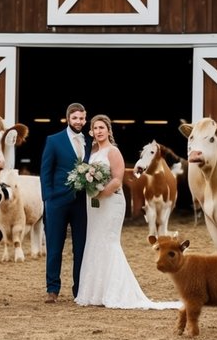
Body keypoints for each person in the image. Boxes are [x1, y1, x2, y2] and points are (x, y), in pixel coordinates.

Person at [75, 114, 180, 310]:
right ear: (91, 131)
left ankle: (114, 291)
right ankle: (95, 293)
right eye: (95, 128)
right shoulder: (91, 153)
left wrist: (101, 193)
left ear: (108, 130)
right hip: (94, 205)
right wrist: (88, 188)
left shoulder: (113, 151)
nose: (98, 131)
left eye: (101, 128)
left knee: (108, 241)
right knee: (94, 241)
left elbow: (117, 178)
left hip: (110, 201)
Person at [40, 102, 90, 303]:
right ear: (68, 118)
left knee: (81, 247)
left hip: (81, 203)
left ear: (85, 119)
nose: (78, 121)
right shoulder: (53, 141)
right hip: (57, 202)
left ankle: (79, 289)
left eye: (81, 118)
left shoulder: (90, 142)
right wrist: (48, 198)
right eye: (75, 118)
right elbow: (46, 171)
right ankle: (53, 289)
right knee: (54, 246)